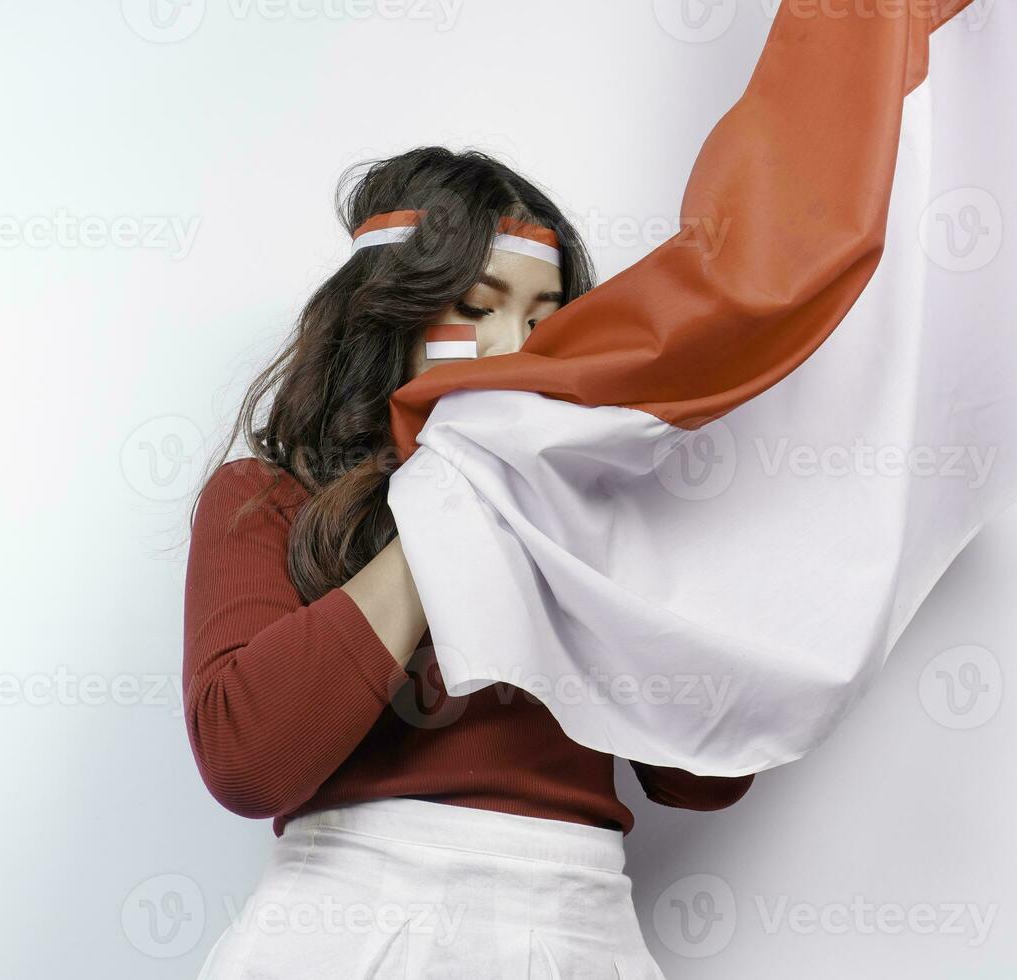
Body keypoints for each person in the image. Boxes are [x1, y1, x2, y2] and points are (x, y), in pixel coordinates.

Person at [184, 147, 755, 979]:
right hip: (345, 933)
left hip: (575, 933)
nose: (510, 348)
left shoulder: (594, 513)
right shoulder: (264, 497)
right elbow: (248, 759)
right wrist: (453, 499)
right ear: (391, 318)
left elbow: (705, 779)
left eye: (542, 320)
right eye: (476, 308)